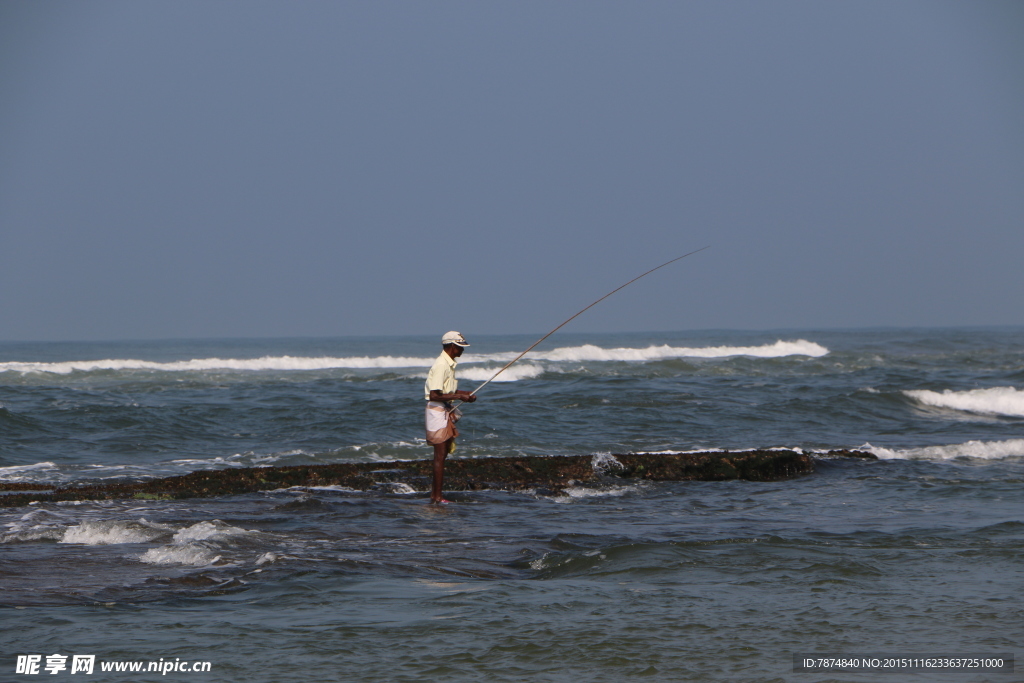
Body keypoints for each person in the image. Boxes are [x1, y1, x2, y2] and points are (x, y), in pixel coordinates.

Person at [424, 331, 477, 503]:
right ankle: (437, 496)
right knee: (440, 456)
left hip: (443, 409)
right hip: (437, 411)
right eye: (460, 347)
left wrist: (465, 394)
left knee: (444, 454)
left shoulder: (449, 364)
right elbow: (434, 395)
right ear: (452, 346)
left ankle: (437, 495)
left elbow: (447, 392)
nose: (462, 351)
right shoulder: (441, 365)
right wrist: (461, 397)